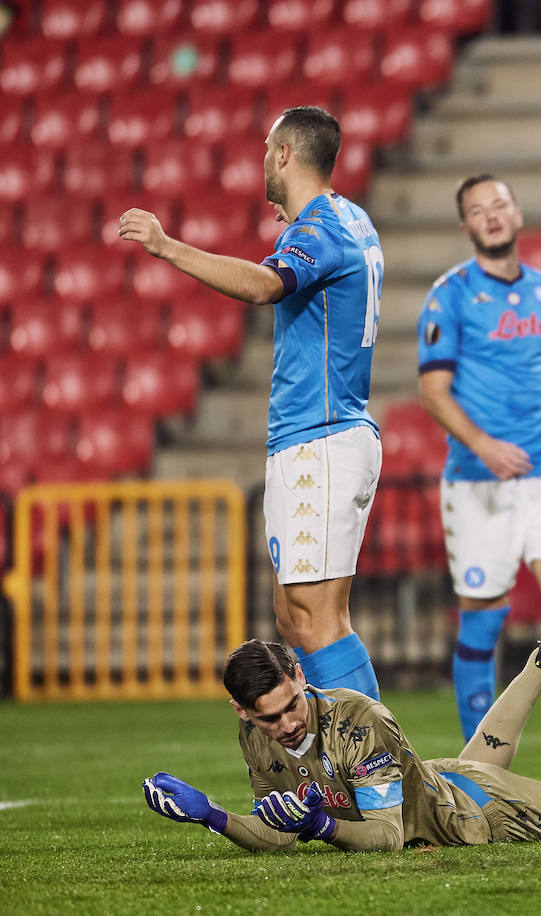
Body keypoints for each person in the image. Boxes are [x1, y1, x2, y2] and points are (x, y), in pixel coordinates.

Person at [119, 106, 385, 699]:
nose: (263, 158)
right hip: (313, 437)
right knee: (293, 620)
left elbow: (268, 285)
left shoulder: (318, 230)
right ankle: (338, 771)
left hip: (323, 435)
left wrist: (166, 247)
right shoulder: (351, 219)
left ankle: (381, 774)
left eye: (268, 147)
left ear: (286, 154)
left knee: (318, 622)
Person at [140, 600, 541, 851]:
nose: (287, 723)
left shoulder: (361, 722)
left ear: (298, 674)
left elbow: (389, 836)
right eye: (270, 717)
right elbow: (278, 831)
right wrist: (213, 816)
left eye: (292, 704)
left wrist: (323, 829)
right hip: (439, 786)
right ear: (244, 714)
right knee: (457, 776)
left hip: (480, 811)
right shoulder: (254, 739)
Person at [416, 175, 541, 786]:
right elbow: (432, 391)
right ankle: (480, 761)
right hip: (479, 483)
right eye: (478, 210)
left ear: (518, 214)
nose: (491, 216)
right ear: (466, 227)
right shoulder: (448, 297)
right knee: (482, 617)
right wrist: (484, 446)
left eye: (499, 204)